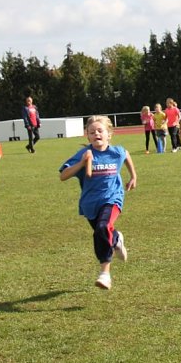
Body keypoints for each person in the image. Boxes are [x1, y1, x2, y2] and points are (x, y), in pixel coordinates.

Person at [59, 115, 136, 290]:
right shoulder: (84, 154)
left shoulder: (116, 152)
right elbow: (63, 176)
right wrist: (82, 163)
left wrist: (133, 176)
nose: (96, 134)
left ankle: (105, 273)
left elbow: (126, 155)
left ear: (109, 134)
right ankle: (116, 239)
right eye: (92, 132)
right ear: (87, 136)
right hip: (90, 204)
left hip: (112, 199)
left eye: (100, 131)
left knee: (102, 228)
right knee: (104, 232)